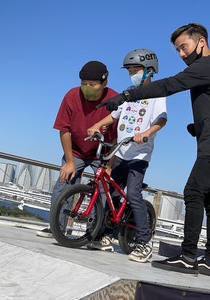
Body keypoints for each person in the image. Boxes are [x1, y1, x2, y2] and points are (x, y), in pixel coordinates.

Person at [99, 23, 210, 277]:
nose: (181, 54)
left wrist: (126, 95)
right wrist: (199, 125)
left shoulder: (208, 65)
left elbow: (168, 85)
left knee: (193, 192)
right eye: (177, 50)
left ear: (201, 42)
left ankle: (188, 257)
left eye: (184, 47)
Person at [86, 49, 167, 263]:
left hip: (139, 155)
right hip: (120, 151)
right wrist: (96, 125)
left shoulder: (157, 93)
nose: (133, 74)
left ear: (150, 71)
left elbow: (162, 119)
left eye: (136, 70)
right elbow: (113, 116)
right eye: (130, 70)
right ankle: (104, 236)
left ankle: (143, 242)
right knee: (111, 192)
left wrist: (147, 133)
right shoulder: (129, 92)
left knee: (133, 194)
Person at [36, 60, 118, 238]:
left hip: (103, 153)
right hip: (76, 151)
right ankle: (56, 228)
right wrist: (70, 162)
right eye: (84, 84)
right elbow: (64, 129)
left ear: (104, 83)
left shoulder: (115, 99)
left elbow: (118, 136)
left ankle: (95, 234)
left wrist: (109, 165)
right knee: (63, 184)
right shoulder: (72, 96)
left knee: (103, 191)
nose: (87, 88)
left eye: (92, 84)